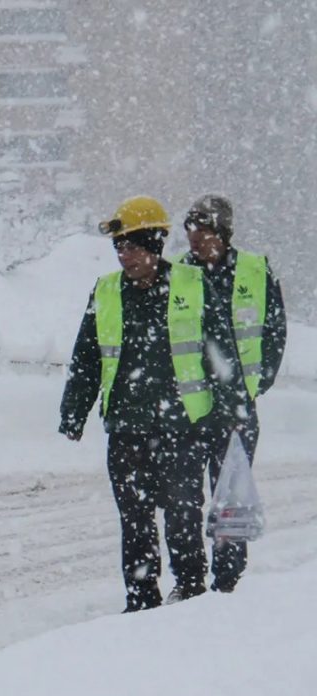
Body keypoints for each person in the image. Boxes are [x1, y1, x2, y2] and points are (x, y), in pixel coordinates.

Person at [59, 196, 250, 612]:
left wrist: (233, 410)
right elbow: (87, 356)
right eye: (120, 248)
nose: (125, 256)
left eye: (133, 246)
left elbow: (222, 353)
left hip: (183, 426)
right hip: (126, 426)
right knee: (135, 518)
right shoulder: (107, 291)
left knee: (182, 512)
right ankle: (141, 596)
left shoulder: (192, 285)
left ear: (154, 245)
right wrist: (74, 411)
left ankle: (190, 588)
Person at [177, 194, 287, 593]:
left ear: (221, 233)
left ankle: (227, 580)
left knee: (231, 499)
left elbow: (274, 331)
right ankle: (189, 580)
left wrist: (256, 383)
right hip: (190, 410)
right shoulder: (180, 275)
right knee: (184, 500)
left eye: (202, 230)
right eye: (190, 230)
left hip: (237, 408)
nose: (194, 239)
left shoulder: (255, 271)